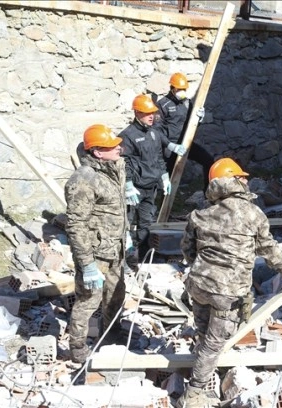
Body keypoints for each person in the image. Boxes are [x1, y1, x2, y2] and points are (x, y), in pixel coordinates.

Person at [177, 158, 282, 407]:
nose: (247, 180)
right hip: (226, 292)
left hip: (198, 285)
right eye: (242, 177)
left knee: (203, 331)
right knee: (214, 342)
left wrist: (204, 269)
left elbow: (187, 250)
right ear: (235, 182)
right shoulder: (252, 213)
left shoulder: (199, 213)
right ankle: (194, 393)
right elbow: (270, 251)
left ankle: (203, 369)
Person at [64, 124, 129, 363]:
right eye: (112, 147)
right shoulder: (83, 180)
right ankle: (78, 348)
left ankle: (111, 334)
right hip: (96, 254)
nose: (119, 149)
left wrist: (126, 234)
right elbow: (76, 224)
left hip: (115, 248)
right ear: (98, 152)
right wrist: (86, 263)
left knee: (115, 295)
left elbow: (115, 209)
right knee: (88, 300)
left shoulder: (113, 169)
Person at [120, 94, 186, 260]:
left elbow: (158, 157)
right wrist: (128, 185)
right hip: (135, 188)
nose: (152, 116)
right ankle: (124, 262)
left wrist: (164, 177)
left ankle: (143, 259)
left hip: (151, 187)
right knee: (125, 225)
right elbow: (124, 162)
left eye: (152, 113)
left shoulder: (154, 133)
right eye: (147, 113)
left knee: (146, 225)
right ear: (137, 113)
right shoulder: (127, 136)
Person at [155, 72, 212, 192]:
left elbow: (192, 124)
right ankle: (163, 208)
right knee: (168, 181)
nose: (182, 91)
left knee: (208, 160)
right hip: (170, 147)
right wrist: (170, 145)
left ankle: (207, 194)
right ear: (173, 88)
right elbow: (156, 130)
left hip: (186, 143)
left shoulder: (186, 102)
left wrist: (199, 119)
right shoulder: (162, 105)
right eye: (180, 89)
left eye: (184, 89)